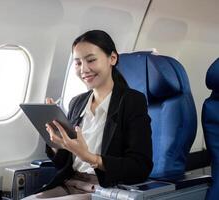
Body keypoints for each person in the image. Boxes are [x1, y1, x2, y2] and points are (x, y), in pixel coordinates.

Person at [23, 30, 153, 199]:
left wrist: (90, 157)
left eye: (91, 60)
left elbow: (140, 167)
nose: (84, 69)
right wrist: (56, 142)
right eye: (77, 63)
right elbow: (65, 164)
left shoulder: (132, 101)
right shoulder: (77, 103)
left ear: (112, 58)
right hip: (70, 183)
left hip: (102, 189)